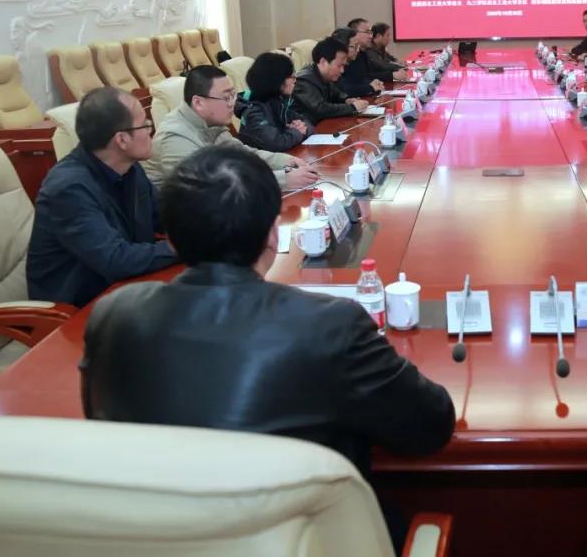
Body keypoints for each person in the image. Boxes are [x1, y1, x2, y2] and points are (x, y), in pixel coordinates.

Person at [81, 146, 455, 545]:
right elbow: (431, 425)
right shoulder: (332, 325)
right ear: (273, 233)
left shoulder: (112, 316)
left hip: (158, 541)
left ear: (170, 238)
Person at [27, 87, 177, 307]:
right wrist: (182, 247)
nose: (150, 131)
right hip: (77, 310)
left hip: (124, 290)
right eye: (145, 125)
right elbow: (115, 259)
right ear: (122, 139)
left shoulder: (130, 169)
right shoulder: (68, 188)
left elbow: (165, 215)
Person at [145, 65, 318, 191]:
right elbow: (205, 187)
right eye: (226, 97)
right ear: (198, 102)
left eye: (233, 95)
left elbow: (243, 155)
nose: (232, 104)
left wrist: (286, 161)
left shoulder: (211, 123)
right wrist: (282, 179)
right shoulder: (174, 136)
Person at [234, 52, 313, 152]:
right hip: (258, 160)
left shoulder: (278, 100)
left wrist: (302, 128)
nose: (295, 80)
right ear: (276, 80)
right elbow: (276, 143)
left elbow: (307, 122)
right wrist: (298, 132)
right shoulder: (253, 110)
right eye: (291, 76)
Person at [293, 37, 371, 123]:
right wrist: (352, 107)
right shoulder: (304, 80)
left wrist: (347, 100)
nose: (342, 70)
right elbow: (320, 109)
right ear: (323, 62)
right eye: (339, 66)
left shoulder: (325, 76)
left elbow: (337, 94)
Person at [335, 25, 384, 98]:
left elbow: (358, 79)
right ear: (342, 46)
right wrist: (370, 87)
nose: (357, 50)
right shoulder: (334, 65)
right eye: (354, 46)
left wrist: (372, 83)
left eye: (358, 46)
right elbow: (344, 89)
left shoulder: (353, 60)